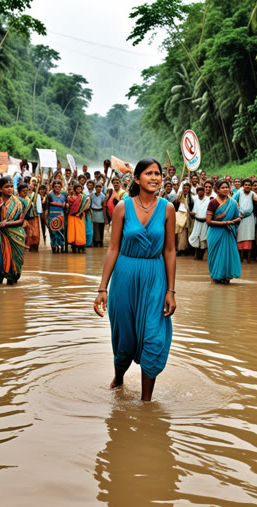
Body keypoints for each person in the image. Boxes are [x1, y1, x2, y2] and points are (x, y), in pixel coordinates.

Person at [93, 157, 176, 402]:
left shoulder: (167, 208)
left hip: (155, 278)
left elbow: (170, 251)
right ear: (137, 178)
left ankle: (146, 403)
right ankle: (119, 378)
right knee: (125, 339)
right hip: (125, 278)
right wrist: (102, 288)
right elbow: (113, 249)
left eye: (158, 174)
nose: (155, 178)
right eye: (149, 173)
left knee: (153, 337)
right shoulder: (123, 207)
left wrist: (171, 290)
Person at [206, 179, 241, 284]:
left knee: (228, 255)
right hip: (215, 233)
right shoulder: (212, 203)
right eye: (223, 187)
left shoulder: (233, 203)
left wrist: (231, 222)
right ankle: (214, 277)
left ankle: (226, 277)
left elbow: (238, 218)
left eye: (227, 187)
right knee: (214, 255)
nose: (225, 189)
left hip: (228, 232)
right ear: (217, 189)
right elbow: (208, 221)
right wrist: (223, 223)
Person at [235, 178, 257, 263]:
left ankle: (248, 259)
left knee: (249, 236)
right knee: (240, 236)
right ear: (243, 186)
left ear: (251, 186)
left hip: (249, 218)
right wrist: (238, 210)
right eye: (246, 185)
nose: (247, 186)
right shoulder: (239, 193)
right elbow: (233, 201)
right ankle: (240, 258)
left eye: (249, 185)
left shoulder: (252, 194)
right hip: (240, 218)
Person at [188, 186, 210, 260]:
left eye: (202, 191)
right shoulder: (195, 199)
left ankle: (201, 256)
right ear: (197, 192)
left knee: (203, 239)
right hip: (197, 221)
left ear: (204, 192)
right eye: (199, 191)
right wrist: (192, 213)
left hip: (205, 222)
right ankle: (197, 255)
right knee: (195, 237)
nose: (200, 192)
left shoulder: (208, 200)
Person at [67, 182, 88, 253]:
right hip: (72, 215)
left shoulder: (83, 196)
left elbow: (86, 206)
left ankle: (81, 246)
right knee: (72, 232)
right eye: (77, 189)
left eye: (80, 189)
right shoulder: (70, 197)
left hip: (80, 215)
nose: (79, 190)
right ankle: (73, 246)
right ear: (75, 189)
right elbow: (69, 206)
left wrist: (81, 212)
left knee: (80, 231)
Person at [174, 182, 194, 255]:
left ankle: (184, 249)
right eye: (184, 188)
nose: (185, 190)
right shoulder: (179, 195)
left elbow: (191, 206)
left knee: (185, 232)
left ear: (189, 189)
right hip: (179, 214)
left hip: (187, 215)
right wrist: (178, 201)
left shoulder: (192, 196)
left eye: (187, 188)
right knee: (178, 231)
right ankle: (178, 248)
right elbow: (175, 204)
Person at [91, 182, 106, 247]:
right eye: (97, 187)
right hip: (93, 212)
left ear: (101, 188)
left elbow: (104, 205)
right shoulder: (92, 194)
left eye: (99, 187)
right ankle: (95, 241)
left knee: (100, 227)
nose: (98, 188)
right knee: (94, 227)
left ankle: (100, 241)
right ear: (95, 188)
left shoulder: (103, 196)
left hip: (100, 212)